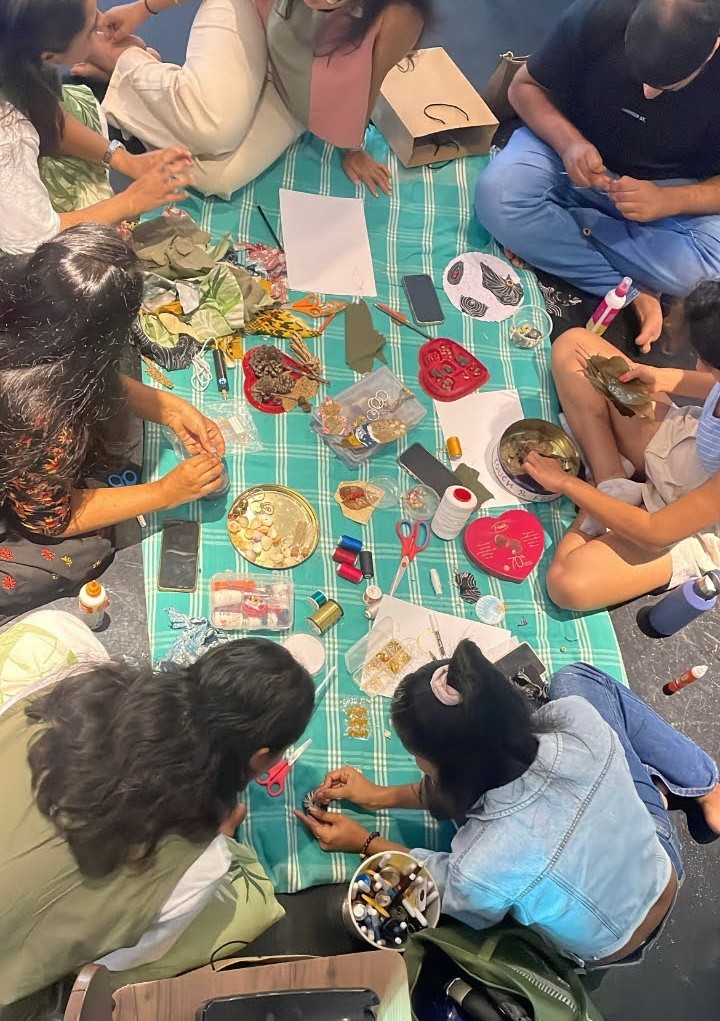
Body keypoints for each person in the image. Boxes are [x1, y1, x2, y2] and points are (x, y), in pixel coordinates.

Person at [297, 641, 720, 965]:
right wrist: (375, 796)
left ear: (445, 768)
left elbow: (429, 883)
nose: (418, 766)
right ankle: (704, 781)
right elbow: (458, 778)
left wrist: (365, 841)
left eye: (420, 759)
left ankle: (696, 785)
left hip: (610, 946)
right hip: (658, 864)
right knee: (575, 676)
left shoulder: (482, 861)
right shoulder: (576, 719)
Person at [0, 636, 315, 1020]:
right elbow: (119, 959)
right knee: (244, 906)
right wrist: (219, 845)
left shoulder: (77, 690)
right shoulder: (202, 862)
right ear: (262, 757)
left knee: (60, 627)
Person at [0, 222, 225, 612]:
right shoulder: (40, 422)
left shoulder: (15, 288)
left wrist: (169, 408)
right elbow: (49, 520)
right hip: (29, 496)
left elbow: (77, 364)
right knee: (85, 548)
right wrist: (164, 493)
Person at [474, 0, 720, 353]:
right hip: (564, 154)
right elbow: (523, 88)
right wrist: (569, 143)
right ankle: (630, 287)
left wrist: (669, 200)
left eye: (667, 86)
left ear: (713, 47)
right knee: (498, 196)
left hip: (669, 191)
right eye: (642, 77)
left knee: (711, 273)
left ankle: (557, 228)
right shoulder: (603, 11)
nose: (648, 94)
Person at [89, 0, 429, 198]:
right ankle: (121, 60)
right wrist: (144, 7)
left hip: (296, 88)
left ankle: (142, 79)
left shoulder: (400, 15)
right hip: (248, 12)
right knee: (211, 129)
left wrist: (353, 147)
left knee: (211, 179)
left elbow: (370, 79)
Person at [520, 280, 720, 611]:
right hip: (689, 453)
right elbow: (708, 382)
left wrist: (567, 484)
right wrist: (660, 376)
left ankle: (604, 496)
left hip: (697, 527)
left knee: (568, 584)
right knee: (576, 348)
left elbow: (656, 531)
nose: (698, 366)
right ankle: (612, 479)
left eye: (705, 361)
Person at [0, 0, 194, 254]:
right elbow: (35, 240)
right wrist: (132, 200)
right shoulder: (9, 133)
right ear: (46, 55)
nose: (103, 22)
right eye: (92, 29)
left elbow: (45, 117)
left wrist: (125, 160)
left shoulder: (17, 51)